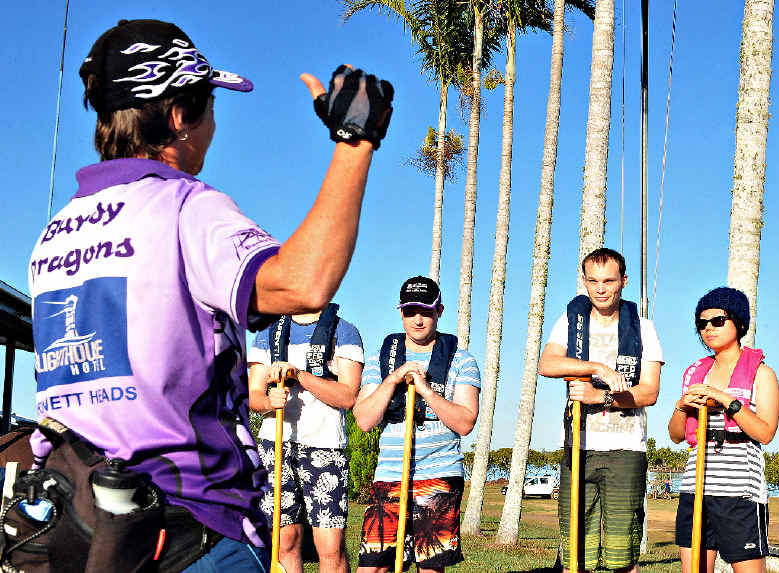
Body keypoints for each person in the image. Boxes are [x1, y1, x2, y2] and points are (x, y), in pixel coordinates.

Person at [27, 18, 392, 571]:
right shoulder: (184, 207)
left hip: (79, 520)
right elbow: (302, 282)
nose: (213, 125)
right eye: (210, 107)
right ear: (178, 117)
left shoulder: (56, 233)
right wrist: (355, 141)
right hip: (189, 521)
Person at [538, 247, 664, 573]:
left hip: (625, 451)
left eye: (609, 280)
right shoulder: (570, 322)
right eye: (593, 281)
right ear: (584, 281)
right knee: (574, 557)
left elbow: (649, 392)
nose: (601, 289)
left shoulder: (644, 328)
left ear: (623, 280)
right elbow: (547, 363)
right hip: (578, 448)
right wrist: (596, 367)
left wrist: (601, 398)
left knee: (623, 558)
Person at [352, 276, 481, 573]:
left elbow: (464, 423)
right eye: (411, 311)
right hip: (391, 475)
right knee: (372, 567)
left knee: (430, 567)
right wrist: (393, 380)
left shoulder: (462, 361)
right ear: (400, 312)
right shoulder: (379, 360)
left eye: (426, 311)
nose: (418, 320)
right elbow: (364, 420)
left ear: (440, 311)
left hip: (439, 474)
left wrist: (425, 390)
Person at [668, 287, 779, 573]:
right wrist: (681, 406)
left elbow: (765, 433)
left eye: (718, 321)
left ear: (739, 323)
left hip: (739, 491)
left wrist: (727, 400)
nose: (708, 329)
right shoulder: (696, 373)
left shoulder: (761, 373)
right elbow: (676, 435)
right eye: (702, 324)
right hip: (696, 487)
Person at [248, 305, 364, 573]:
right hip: (275, 445)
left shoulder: (344, 331)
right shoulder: (267, 332)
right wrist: (267, 401)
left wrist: (299, 376)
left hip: (325, 445)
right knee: (283, 541)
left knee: (331, 547)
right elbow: (254, 394)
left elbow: (347, 397)